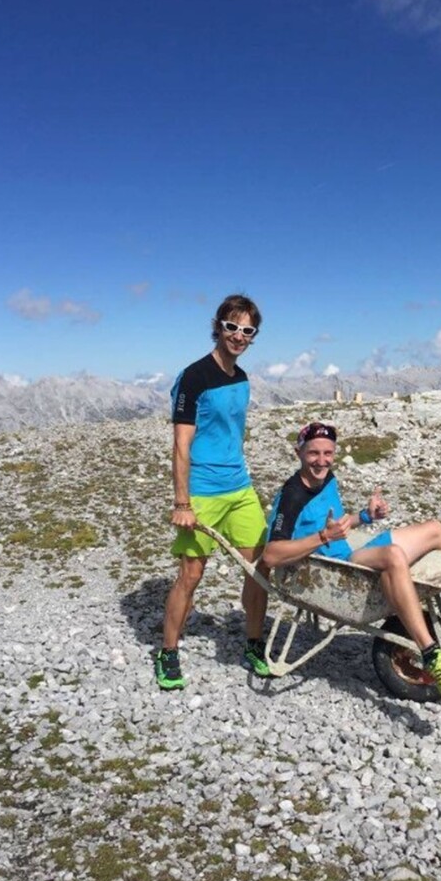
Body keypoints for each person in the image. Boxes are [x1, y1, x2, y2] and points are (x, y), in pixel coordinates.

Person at [262, 421, 441, 698]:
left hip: (347, 557)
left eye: (328, 453)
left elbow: (338, 526)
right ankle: (431, 655)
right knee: (393, 555)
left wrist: (365, 516)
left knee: (436, 530)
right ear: (299, 453)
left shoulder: (327, 479)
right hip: (333, 571)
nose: (322, 461)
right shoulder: (292, 496)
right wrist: (324, 537)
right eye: (313, 453)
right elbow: (272, 554)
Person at [155, 294, 269, 689]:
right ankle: (168, 651)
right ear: (218, 327)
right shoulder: (194, 377)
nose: (239, 336)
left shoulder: (242, 378)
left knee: (258, 569)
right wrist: (182, 502)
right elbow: (181, 444)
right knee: (191, 573)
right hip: (202, 490)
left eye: (247, 330)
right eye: (232, 327)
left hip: (239, 487)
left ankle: (253, 643)